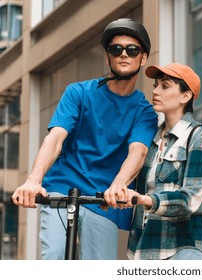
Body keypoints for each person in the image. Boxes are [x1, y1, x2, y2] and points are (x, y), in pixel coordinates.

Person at [11, 18, 158, 260]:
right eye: (115, 49)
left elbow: (138, 152)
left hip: (104, 199)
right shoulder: (78, 92)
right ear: (107, 56)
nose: (123, 55)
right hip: (62, 188)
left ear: (142, 58)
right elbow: (56, 138)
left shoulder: (144, 111)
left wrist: (119, 185)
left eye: (132, 50)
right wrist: (33, 180)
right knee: (55, 256)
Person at [125, 63, 202, 260]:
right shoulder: (151, 139)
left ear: (186, 96)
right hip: (145, 249)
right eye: (155, 85)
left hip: (185, 248)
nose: (156, 91)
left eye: (165, 86)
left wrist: (145, 200)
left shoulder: (197, 136)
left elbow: (190, 198)